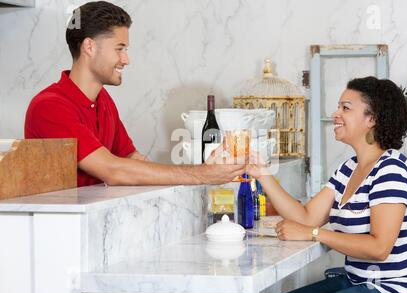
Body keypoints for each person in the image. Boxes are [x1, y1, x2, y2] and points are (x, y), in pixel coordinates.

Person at [247, 76, 407, 293]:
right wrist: (262, 173)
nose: (336, 114)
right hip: (361, 281)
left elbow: (379, 248)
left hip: (397, 292)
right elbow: (306, 217)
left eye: (346, 108)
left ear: (372, 118)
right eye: (338, 107)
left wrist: (313, 234)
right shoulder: (349, 169)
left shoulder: (391, 170)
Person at [24, 1, 244, 187]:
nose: (126, 59)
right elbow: (112, 170)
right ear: (89, 47)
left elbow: (131, 158)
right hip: (60, 232)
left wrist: (202, 174)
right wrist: (201, 174)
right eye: (119, 49)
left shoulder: (103, 100)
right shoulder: (50, 107)